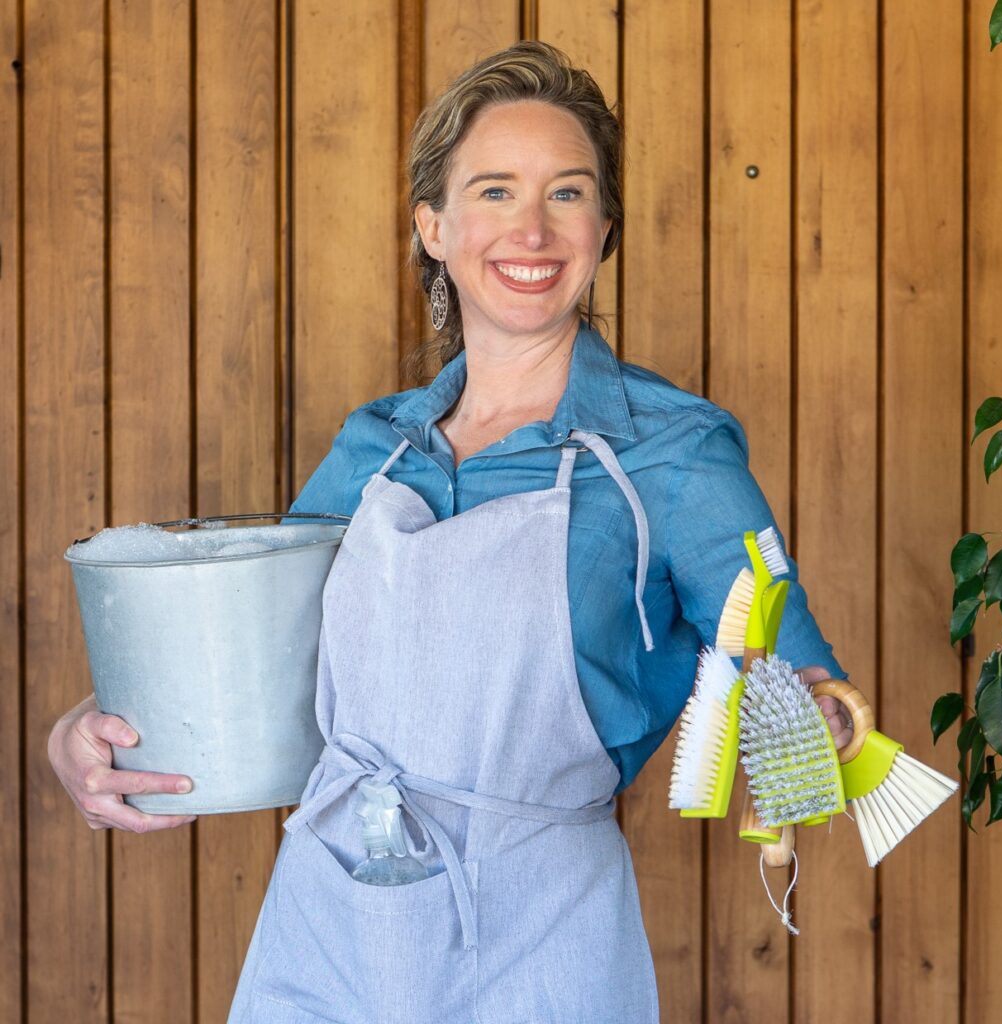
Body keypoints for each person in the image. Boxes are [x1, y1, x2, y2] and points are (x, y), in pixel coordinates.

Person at [49, 41, 854, 1023]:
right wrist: (85, 736)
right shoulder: (374, 449)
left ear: (603, 228)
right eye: (494, 191)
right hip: (326, 933)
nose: (532, 228)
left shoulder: (672, 456)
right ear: (432, 225)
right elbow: (249, 668)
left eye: (566, 193)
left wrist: (816, 731)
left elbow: (803, 684)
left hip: (540, 944)